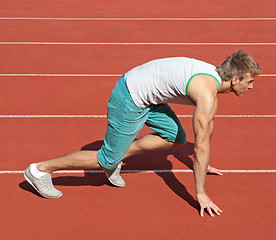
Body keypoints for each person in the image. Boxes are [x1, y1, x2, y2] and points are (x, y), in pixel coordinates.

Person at [24, 50, 261, 217]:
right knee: (106, 159)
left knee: (175, 137)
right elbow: (200, 147)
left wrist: (204, 163)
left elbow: (207, 129)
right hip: (130, 96)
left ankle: (118, 156)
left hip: (148, 94)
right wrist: (201, 193)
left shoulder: (213, 81)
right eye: (249, 82)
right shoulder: (207, 93)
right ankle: (40, 170)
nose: (251, 87)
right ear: (235, 79)